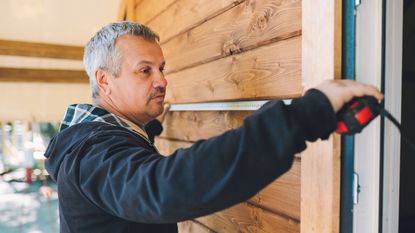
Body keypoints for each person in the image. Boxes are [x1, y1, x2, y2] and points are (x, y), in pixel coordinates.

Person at [44, 22, 383, 233]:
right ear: (104, 81)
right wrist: (307, 115)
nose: (162, 80)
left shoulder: (97, 137)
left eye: (161, 68)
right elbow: (162, 189)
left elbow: (128, 161)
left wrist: (150, 127)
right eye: (144, 70)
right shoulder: (90, 152)